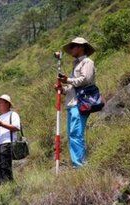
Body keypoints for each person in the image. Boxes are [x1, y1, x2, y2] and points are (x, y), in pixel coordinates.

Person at [55, 37, 96, 168]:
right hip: (72, 103)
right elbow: (74, 87)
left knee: (76, 133)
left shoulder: (87, 62)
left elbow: (85, 79)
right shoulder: (76, 65)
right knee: (72, 134)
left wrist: (68, 80)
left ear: (81, 47)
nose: (72, 49)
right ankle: (76, 163)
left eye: (74, 46)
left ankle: (79, 165)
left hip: (80, 102)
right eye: (71, 47)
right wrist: (63, 89)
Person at [0, 94, 21, 183]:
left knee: (4, 166)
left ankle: (8, 185)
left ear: (7, 104)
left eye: (0, 103)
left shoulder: (13, 114)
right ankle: (2, 185)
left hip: (7, 143)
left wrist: (1, 124)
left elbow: (16, 127)